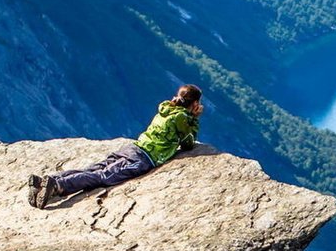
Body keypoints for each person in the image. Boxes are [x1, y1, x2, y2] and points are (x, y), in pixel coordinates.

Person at [28, 84, 204, 208]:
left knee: (93, 169)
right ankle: (58, 186)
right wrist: (194, 119)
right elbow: (188, 143)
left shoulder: (167, 108)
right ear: (195, 103)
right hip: (144, 157)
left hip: (133, 148)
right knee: (102, 177)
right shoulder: (181, 117)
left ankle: (48, 180)